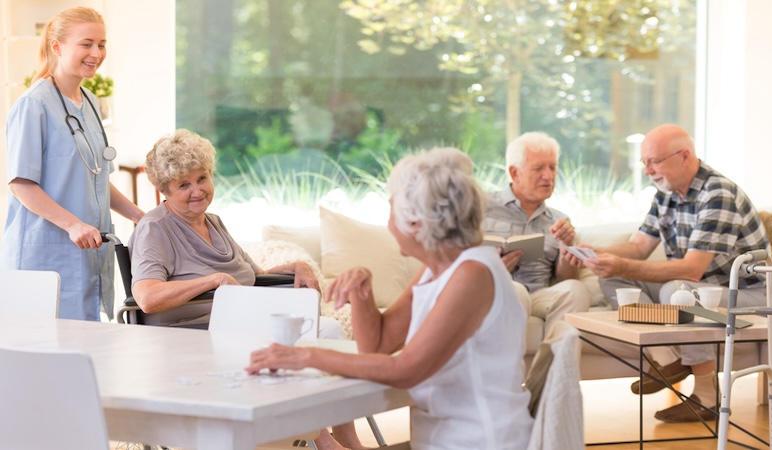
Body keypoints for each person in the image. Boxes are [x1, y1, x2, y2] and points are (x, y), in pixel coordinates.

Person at [247, 147, 534, 450]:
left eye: (391, 210)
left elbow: (405, 371)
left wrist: (306, 356)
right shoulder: (438, 267)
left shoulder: (472, 274)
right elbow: (378, 347)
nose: (387, 224)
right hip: (444, 437)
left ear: (416, 223)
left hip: (481, 441)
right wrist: (363, 293)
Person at [129, 129, 367, 450]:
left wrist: (297, 265)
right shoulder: (155, 229)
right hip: (195, 336)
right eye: (183, 184)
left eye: (202, 178)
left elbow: (256, 277)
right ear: (163, 191)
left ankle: (337, 437)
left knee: (327, 329)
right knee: (328, 332)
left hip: (239, 323)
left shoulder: (213, 222)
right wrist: (211, 281)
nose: (197, 190)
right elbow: (146, 297)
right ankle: (325, 439)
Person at [567, 124, 772, 423]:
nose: (648, 170)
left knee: (677, 291)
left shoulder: (718, 193)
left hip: (746, 292)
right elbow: (638, 247)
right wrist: (593, 252)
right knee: (612, 277)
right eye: (644, 163)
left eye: (654, 161)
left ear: (684, 156)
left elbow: (692, 268)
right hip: (696, 289)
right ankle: (667, 359)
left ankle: (707, 397)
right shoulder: (667, 194)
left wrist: (620, 263)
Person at [1, 6, 144, 321]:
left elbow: (93, 174)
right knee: (44, 354)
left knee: (84, 346)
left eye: (102, 44)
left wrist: (138, 215)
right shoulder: (33, 105)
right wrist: (73, 224)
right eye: (86, 43)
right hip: (45, 252)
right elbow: (21, 184)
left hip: (87, 250)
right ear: (57, 46)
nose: (96, 52)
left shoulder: (91, 101)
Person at [483, 132, 591, 337]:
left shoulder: (559, 220)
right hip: (497, 290)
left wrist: (566, 245)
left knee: (575, 289)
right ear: (515, 173)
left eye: (552, 167)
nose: (548, 176)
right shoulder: (482, 206)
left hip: (540, 294)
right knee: (516, 290)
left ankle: (555, 366)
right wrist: (494, 268)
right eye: (538, 168)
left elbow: (566, 278)